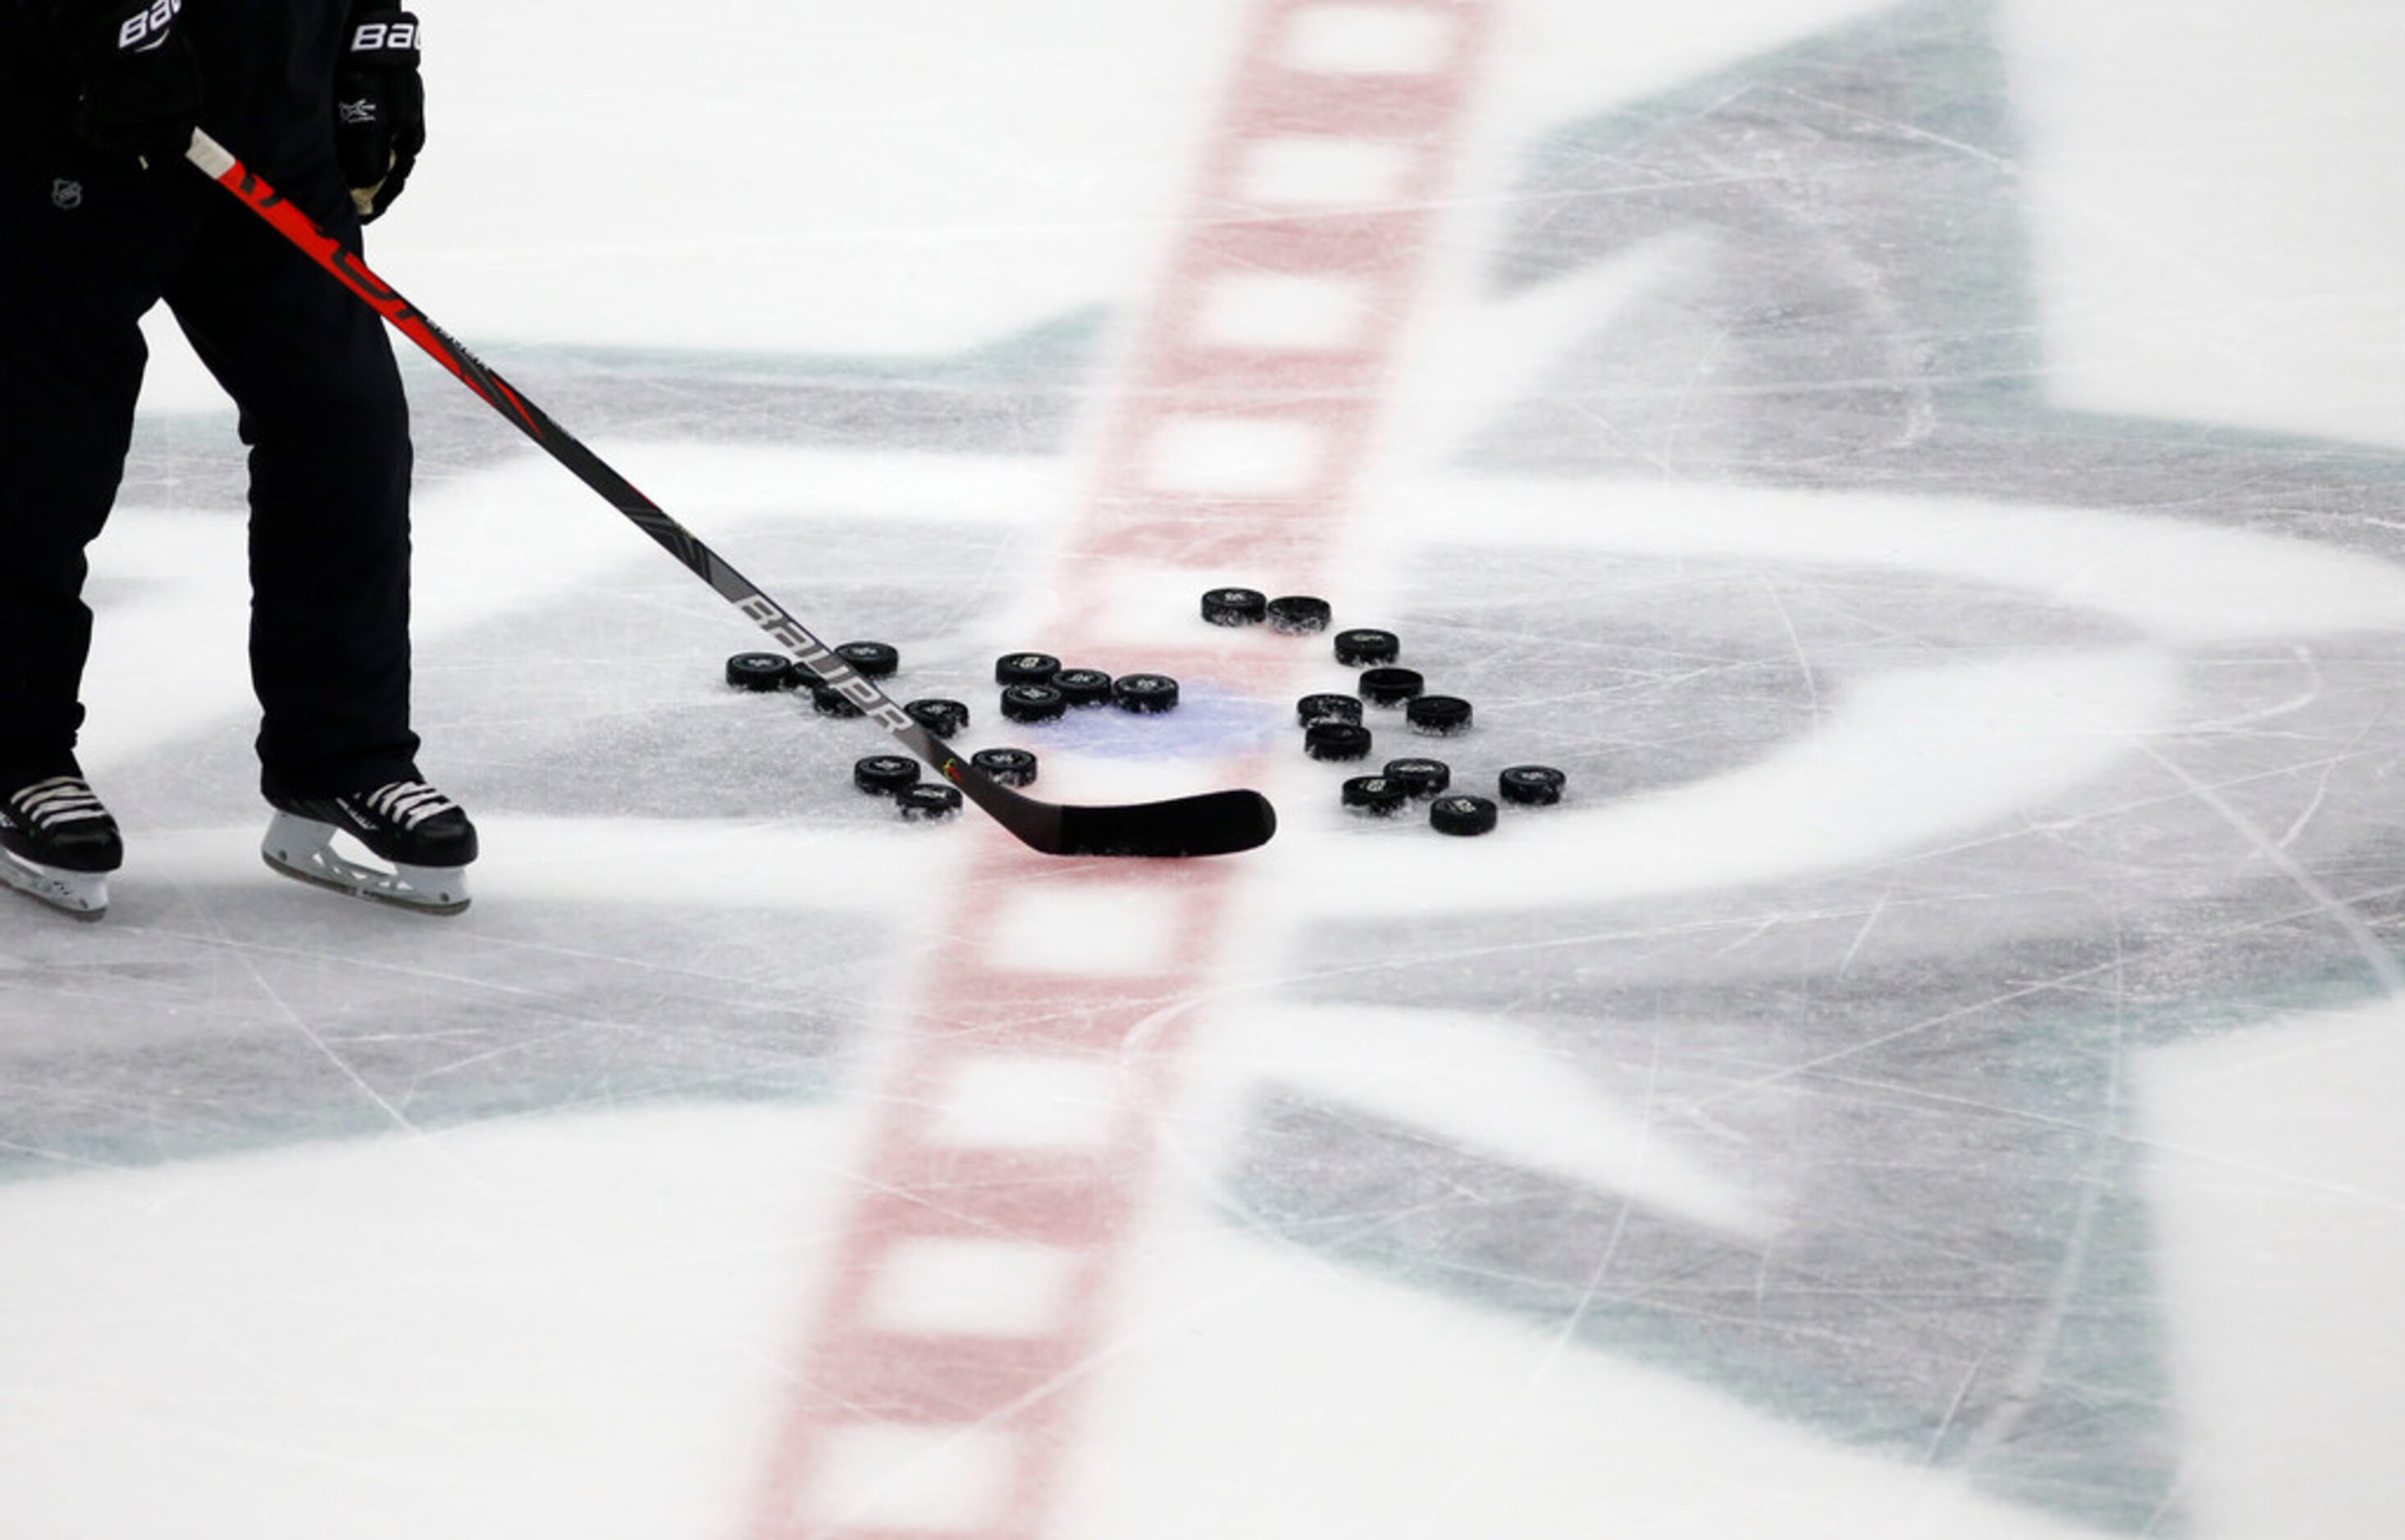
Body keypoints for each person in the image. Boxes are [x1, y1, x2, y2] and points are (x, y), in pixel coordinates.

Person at [0, 0, 477, 918]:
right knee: (42, 447)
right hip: (77, 118)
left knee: (346, 427)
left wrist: (373, 44)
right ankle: (16, 752)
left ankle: (343, 759)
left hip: (274, 119)